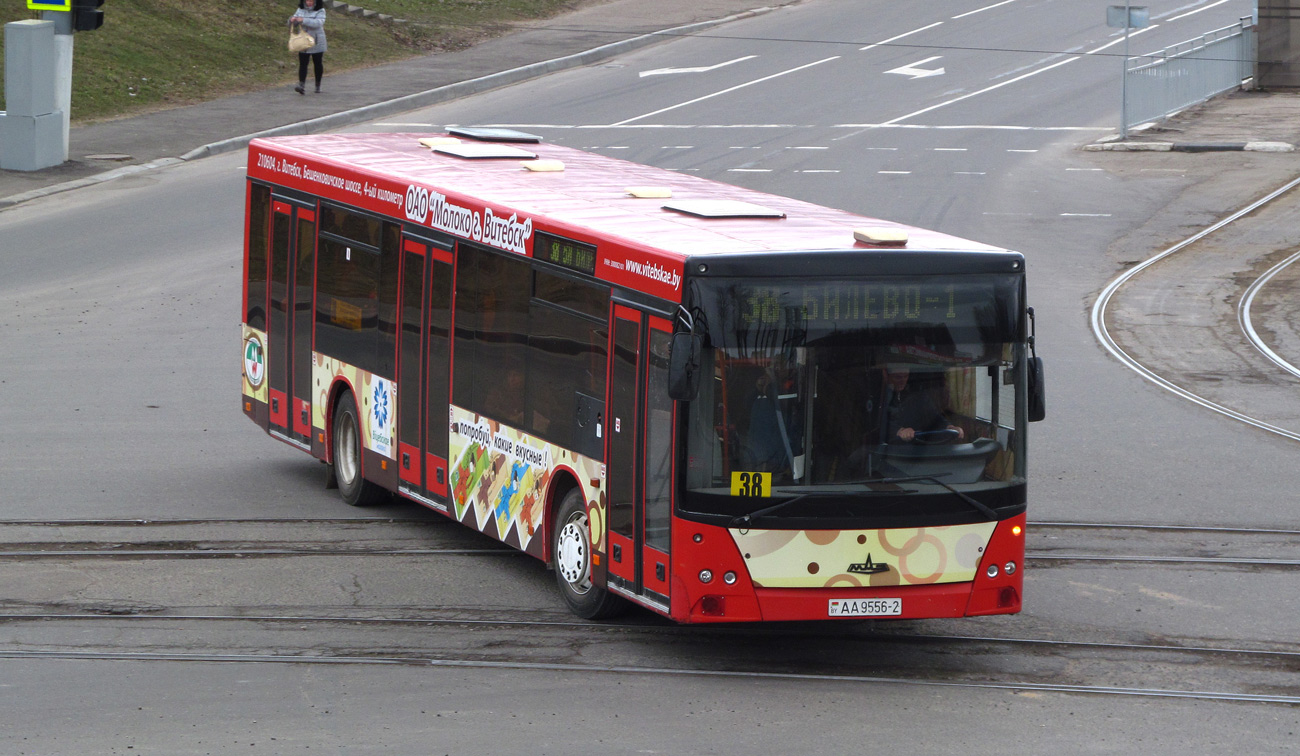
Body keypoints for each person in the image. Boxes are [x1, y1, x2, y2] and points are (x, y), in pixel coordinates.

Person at [880, 365, 964, 443]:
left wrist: (949, 427)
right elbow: (878, 424)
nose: (903, 381)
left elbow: (935, 417)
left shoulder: (917, 396)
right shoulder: (879, 397)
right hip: (889, 451)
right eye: (898, 377)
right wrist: (898, 431)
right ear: (886, 375)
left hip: (918, 450)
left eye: (906, 376)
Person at [289, 0, 327, 95]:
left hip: (317, 40)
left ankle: (318, 85)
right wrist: (292, 20)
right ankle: (301, 85)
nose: (309, 2)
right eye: (307, 0)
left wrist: (304, 20)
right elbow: (292, 23)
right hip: (303, 41)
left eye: (311, 1)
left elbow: (319, 23)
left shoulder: (320, 10)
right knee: (303, 63)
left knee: (317, 63)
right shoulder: (300, 10)